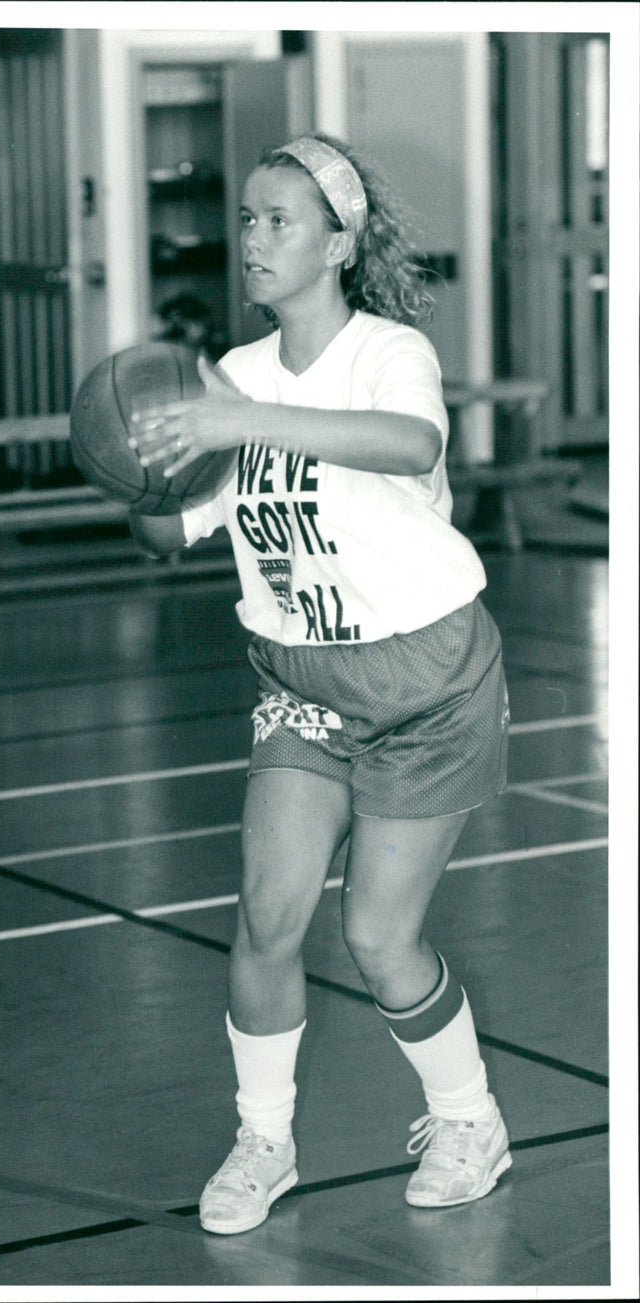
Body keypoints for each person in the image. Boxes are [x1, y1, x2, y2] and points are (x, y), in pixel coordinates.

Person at [127, 133, 512, 1235]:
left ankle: (466, 1118)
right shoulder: (228, 382)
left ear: (337, 243)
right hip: (300, 679)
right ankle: (263, 1140)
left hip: (429, 680)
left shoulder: (387, 354)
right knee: (265, 914)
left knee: (380, 939)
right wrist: (139, 462)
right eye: (244, 218)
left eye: (276, 220)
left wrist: (241, 422)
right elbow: (168, 534)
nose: (252, 238)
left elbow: (405, 443)